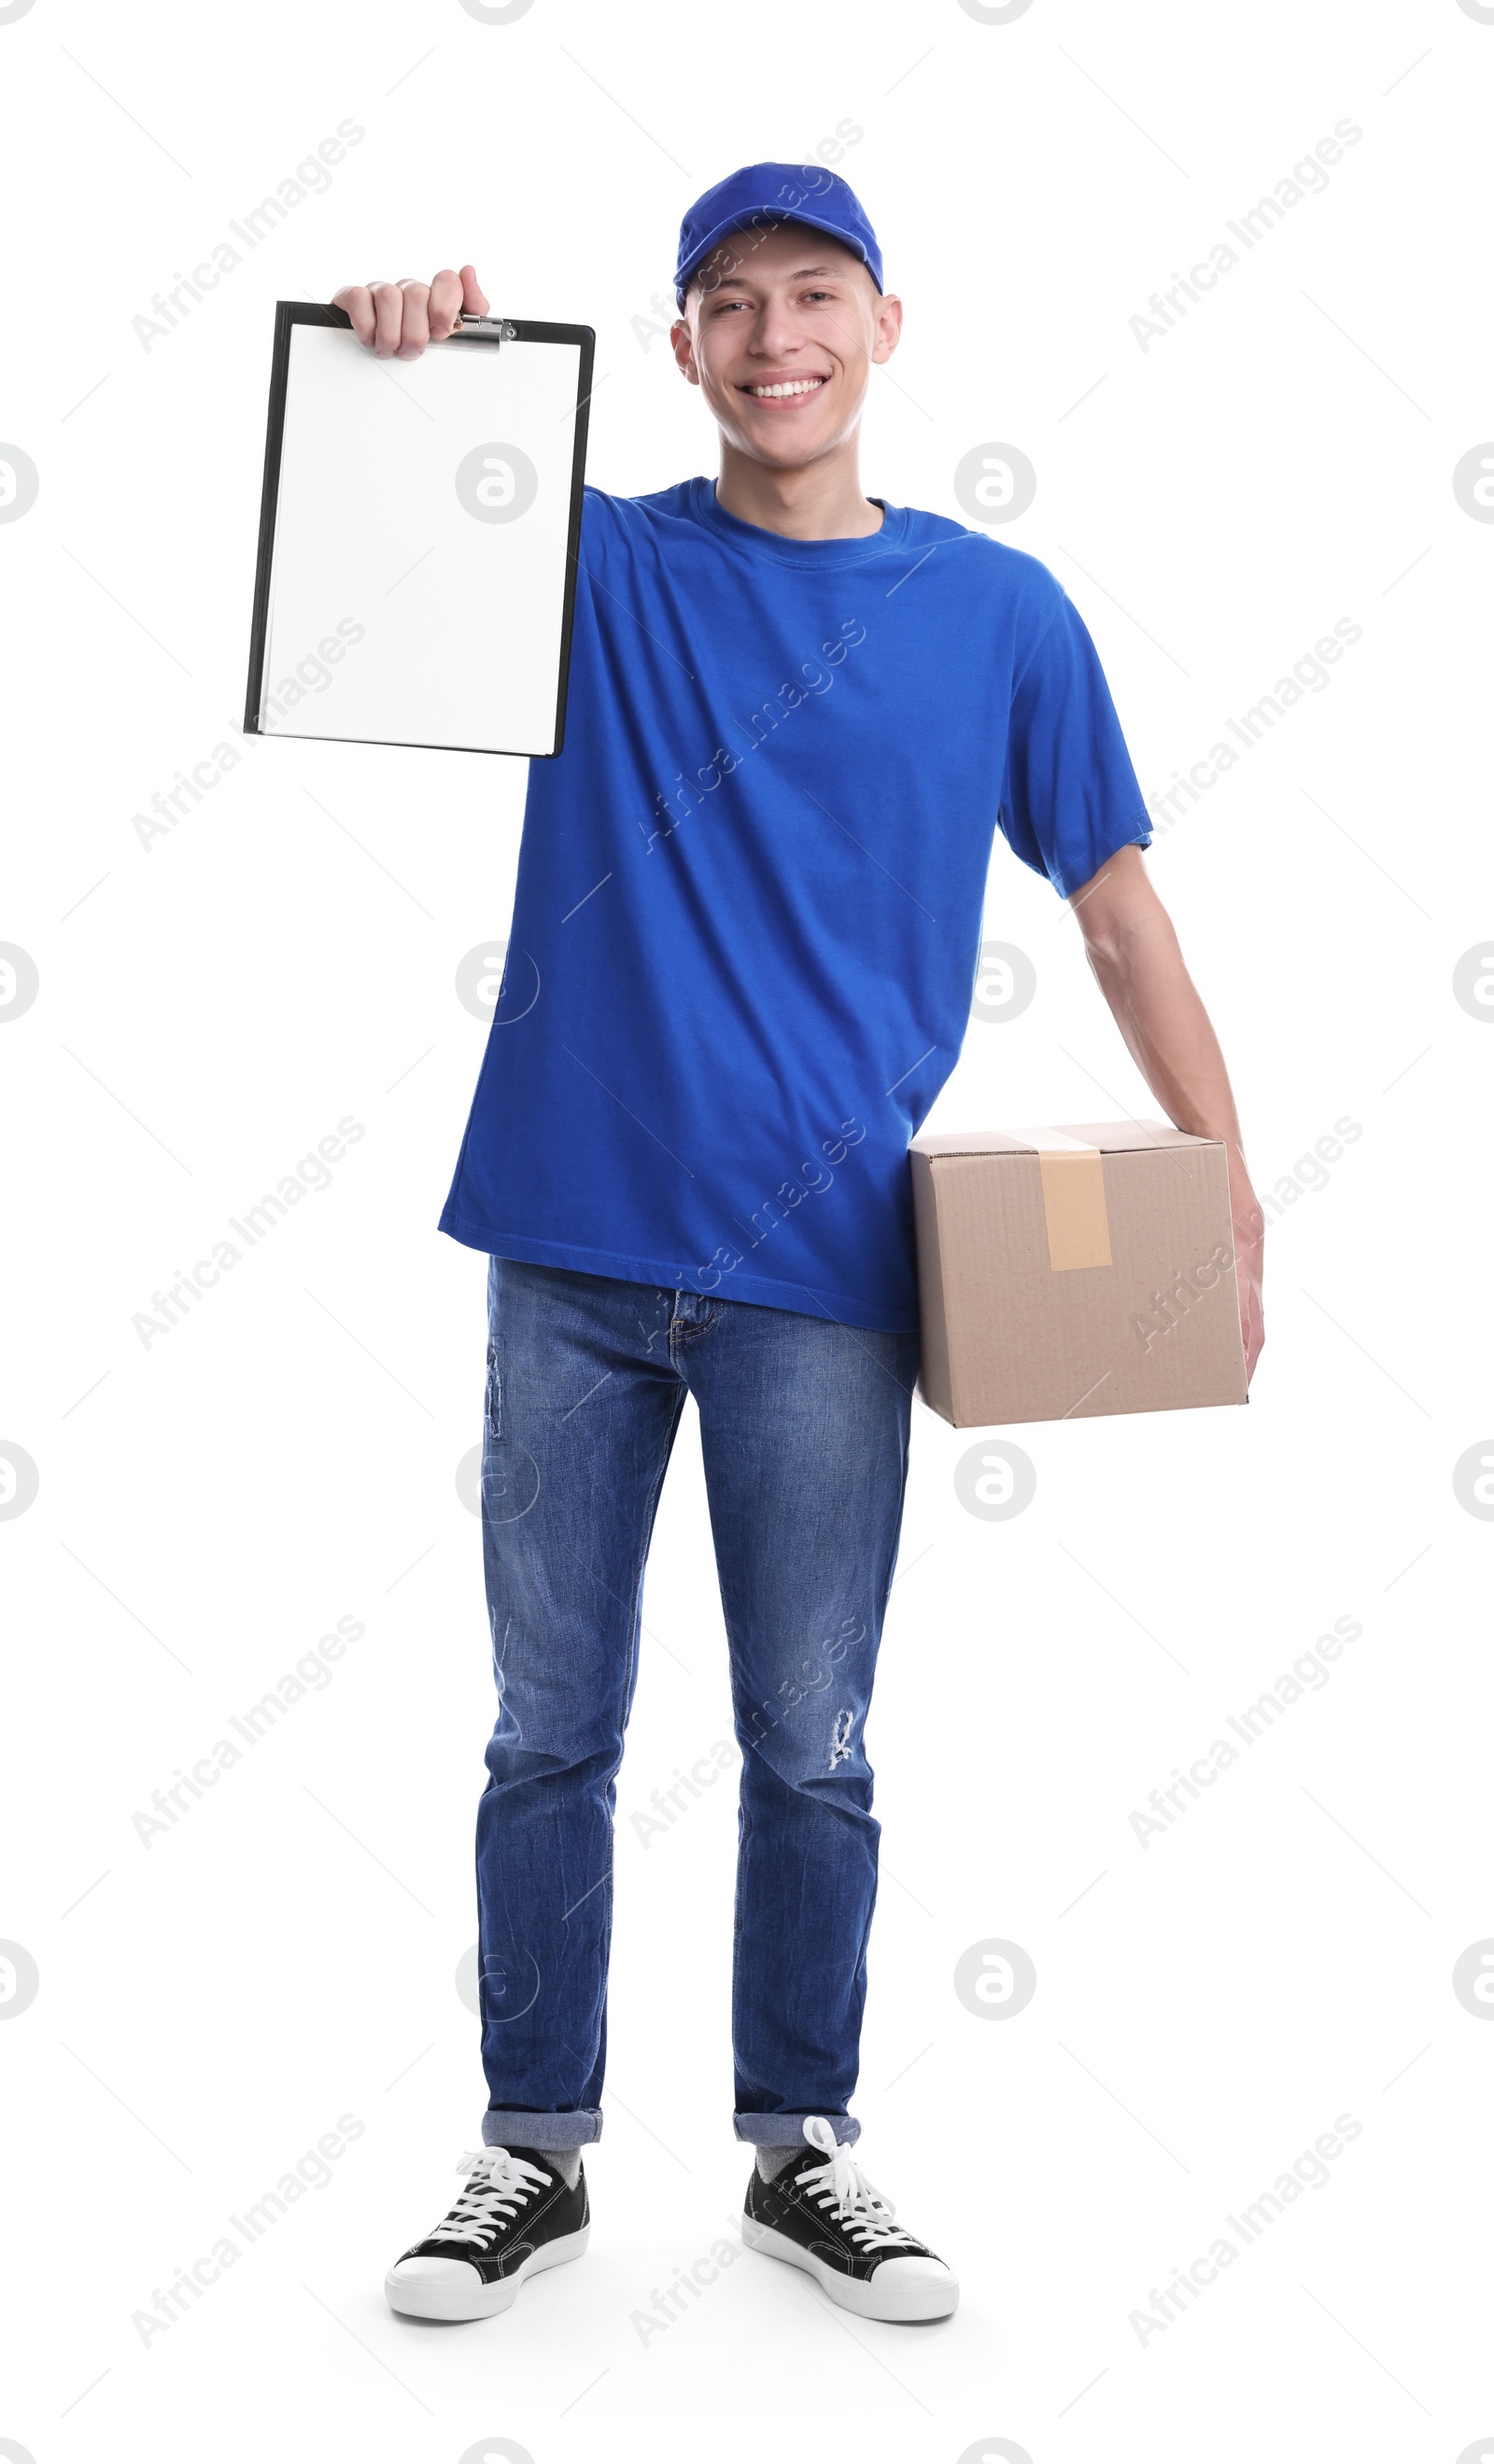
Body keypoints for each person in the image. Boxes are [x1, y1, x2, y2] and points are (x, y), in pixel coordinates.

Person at [331, 162, 1265, 2330]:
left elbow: (1113, 906)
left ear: (884, 326)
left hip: (828, 1271)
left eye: (812, 296)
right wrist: (402, 363)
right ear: (676, 348)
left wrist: (1220, 1169)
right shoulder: (596, 568)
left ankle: (797, 2144)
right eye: (728, 303)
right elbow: (361, 578)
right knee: (545, 1726)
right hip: (564, 1243)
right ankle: (529, 2149)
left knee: (811, 1737)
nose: (773, 337)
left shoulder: (1000, 614)